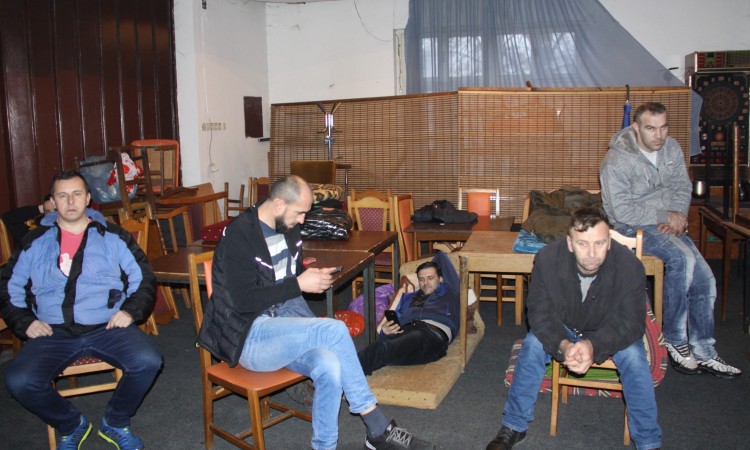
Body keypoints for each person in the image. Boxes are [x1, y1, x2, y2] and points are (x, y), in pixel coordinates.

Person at [197, 175, 434, 450]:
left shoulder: (287, 226)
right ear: (278, 204)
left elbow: (289, 278)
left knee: (329, 365)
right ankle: (377, 426)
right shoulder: (240, 235)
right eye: (299, 213)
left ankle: (324, 446)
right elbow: (242, 301)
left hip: (284, 328)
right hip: (249, 336)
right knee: (334, 330)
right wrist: (299, 284)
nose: (302, 221)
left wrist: (312, 278)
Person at [0, 170, 163, 450]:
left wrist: (130, 311)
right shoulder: (34, 241)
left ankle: (115, 421)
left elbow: (144, 278)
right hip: (53, 331)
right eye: (62, 195)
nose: (70, 201)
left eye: (76, 194)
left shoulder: (113, 236)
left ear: (88, 198)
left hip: (106, 326)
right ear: (52, 202)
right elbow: (8, 285)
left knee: (148, 360)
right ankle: (71, 424)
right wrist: (25, 322)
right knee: (19, 381)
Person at [485, 207, 661, 450]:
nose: (592, 253)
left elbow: (631, 322)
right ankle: (514, 425)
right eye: (583, 244)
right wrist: (563, 344)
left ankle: (648, 442)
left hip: (608, 330)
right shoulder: (547, 259)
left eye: (599, 243)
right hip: (564, 327)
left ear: (609, 242)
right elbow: (539, 313)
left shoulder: (630, 266)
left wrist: (594, 345)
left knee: (634, 356)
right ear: (570, 243)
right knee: (533, 345)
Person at [600, 102, 742, 379]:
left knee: (706, 280)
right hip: (631, 226)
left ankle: (704, 349)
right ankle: (676, 340)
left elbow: (681, 186)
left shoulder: (672, 148)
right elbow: (621, 211)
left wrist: (677, 215)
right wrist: (665, 214)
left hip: (667, 222)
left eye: (664, 127)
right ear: (635, 127)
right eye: (651, 128)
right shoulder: (616, 160)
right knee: (682, 258)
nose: (659, 135)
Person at [358, 251, 459, 375]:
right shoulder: (408, 297)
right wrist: (386, 331)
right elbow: (397, 320)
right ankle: (344, 375)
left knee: (383, 349)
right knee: (376, 347)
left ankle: (344, 379)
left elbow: (441, 257)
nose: (425, 283)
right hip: (407, 330)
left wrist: (431, 263)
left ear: (441, 279)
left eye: (430, 278)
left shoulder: (449, 291)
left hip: (432, 335)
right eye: (421, 279)